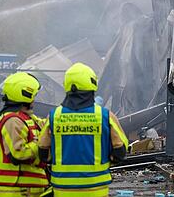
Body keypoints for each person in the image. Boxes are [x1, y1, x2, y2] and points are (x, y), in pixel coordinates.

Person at [38, 62, 129, 196]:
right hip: (96, 189)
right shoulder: (105, 116)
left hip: (63, 189)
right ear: (93, 85)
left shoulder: (54, 116)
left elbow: (43, 151)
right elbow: (120, 150)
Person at [0, 72, 49, 196]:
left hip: (27, 187)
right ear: (26, 95)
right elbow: (18, 153)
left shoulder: (26, 117)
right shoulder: (13, 121)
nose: (35, 99)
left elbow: (44, 125)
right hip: (17, 189)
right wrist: (41, 142)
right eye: (34, 95)